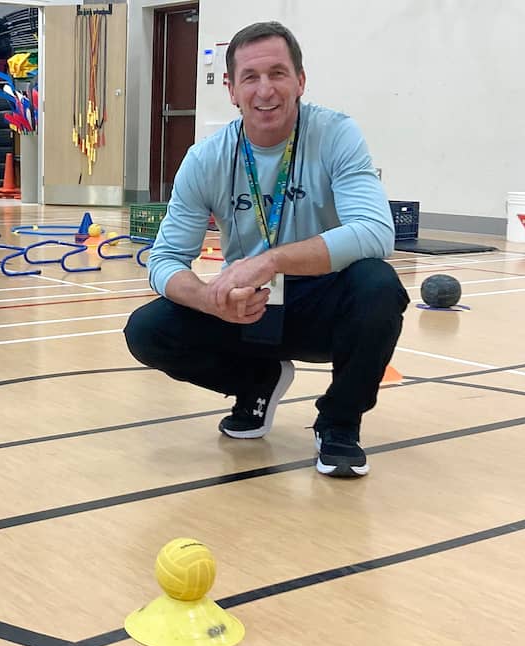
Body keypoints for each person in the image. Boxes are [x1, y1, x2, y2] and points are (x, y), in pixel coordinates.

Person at [122, 21, 409, 478]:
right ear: (232, 90)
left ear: (301, 81)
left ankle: (339, 424)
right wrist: (209, 300)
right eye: (250, 77)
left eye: (278, 73)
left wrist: (270, 260)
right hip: (247, 308)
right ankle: (257, 382)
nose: (265, 90)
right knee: (147, 330)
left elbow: (376, 232)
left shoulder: (336, 135)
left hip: (322, 302)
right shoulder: (205, 159)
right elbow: (164, 259)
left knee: (378, 284)